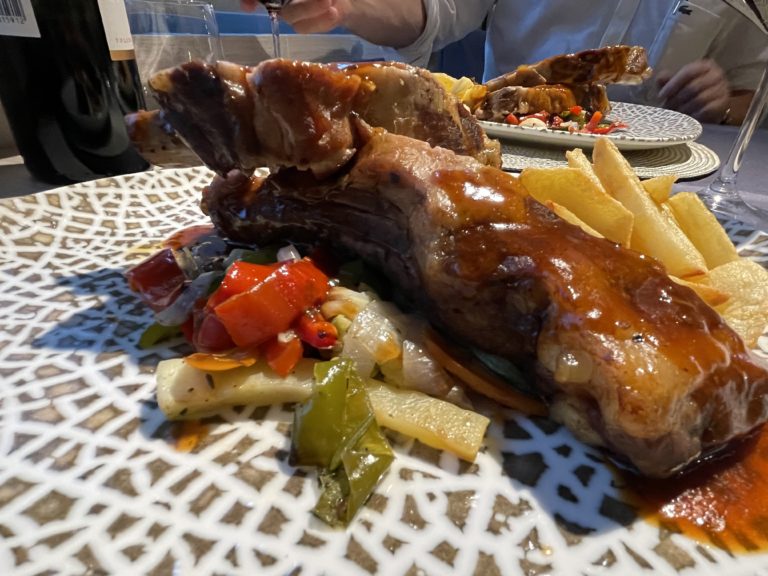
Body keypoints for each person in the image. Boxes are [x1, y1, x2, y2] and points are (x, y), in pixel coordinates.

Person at [241, 0, 768, 125]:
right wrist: (346, 6)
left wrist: (725, 102)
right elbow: (434, 12)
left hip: (667, 173)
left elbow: (751, 97)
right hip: (504, 144)